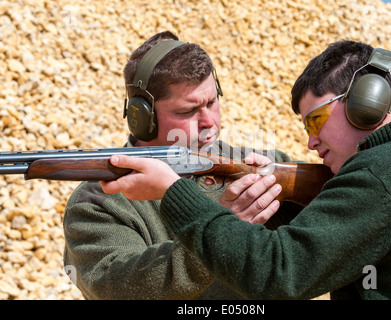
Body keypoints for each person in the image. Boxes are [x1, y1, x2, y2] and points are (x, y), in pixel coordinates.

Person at [101, 40, 391, 299]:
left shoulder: (378, 175)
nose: (311, 142)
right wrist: (276, 194)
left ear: (366, 101)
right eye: (189, 110)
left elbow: (280, 272)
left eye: (316, 119)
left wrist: (175, 193)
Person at [63, 31, 296, 300]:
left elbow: (324, 245)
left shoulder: (260, 165)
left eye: (212, 101)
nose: (209, 121)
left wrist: (285, 207)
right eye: (187, 111)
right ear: (142, 117)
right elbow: (123, 289)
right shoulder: (97, 204)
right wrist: (221, 231)